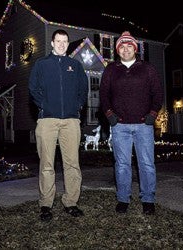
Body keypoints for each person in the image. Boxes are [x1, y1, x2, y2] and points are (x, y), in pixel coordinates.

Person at [99, 31, 163, 215]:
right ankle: (123, 199)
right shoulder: (111, 69)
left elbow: (157, 93)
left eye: (129, 46)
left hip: (144, 125)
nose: (125, 49)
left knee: (147, 163)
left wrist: (153, 113)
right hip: (120, 126)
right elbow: (104, 95)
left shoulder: (147, 68)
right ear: (117, 50)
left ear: (135, 48)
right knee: (122, 164)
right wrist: (110, 114)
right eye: (122, 46)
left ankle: (148, 199)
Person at [28, 29, 89, 222]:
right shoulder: (42, 64)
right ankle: (46, 204)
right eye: (58, 41)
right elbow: (33, 88)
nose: (62, 44)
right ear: (52, 43)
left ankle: (71, 202)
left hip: (71, 121)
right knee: (47, 164)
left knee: (72, 164)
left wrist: (77, 106)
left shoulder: (75, 65)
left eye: (65, 41)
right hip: (47, 121)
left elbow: (83, 89)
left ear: (67, 44)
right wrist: (44, 106)